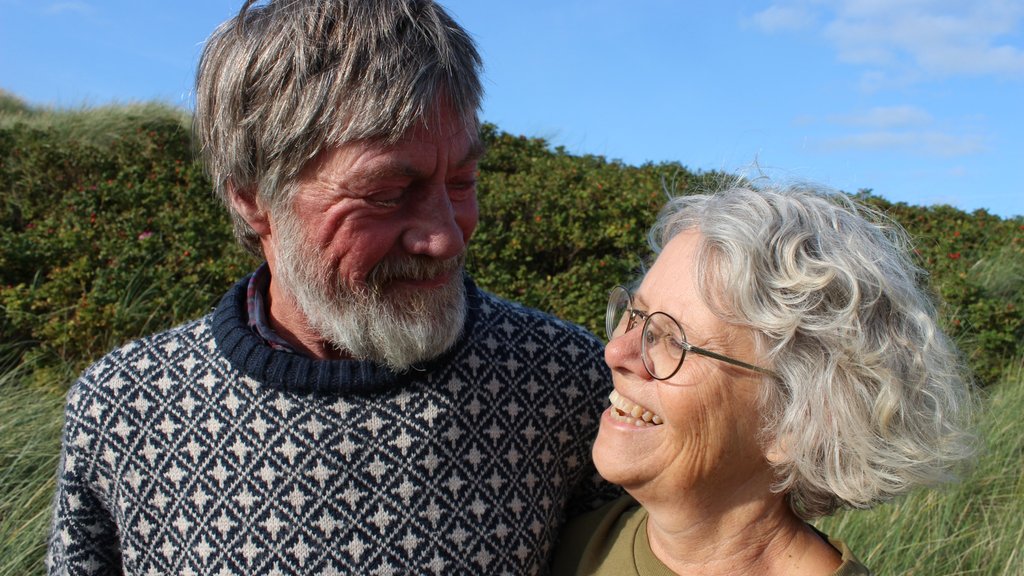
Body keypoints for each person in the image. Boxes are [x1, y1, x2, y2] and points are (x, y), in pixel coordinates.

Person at [46, 1, 616, 574]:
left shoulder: (568, 382)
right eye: (385, 194)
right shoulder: (128, 407)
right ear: (251, 198)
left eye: (462, 181)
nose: (445, 238)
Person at [552, 182, 977, 575]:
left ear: (795, 423)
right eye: (636, 314)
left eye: (674, 343)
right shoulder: (563, 542)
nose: (615, 352)